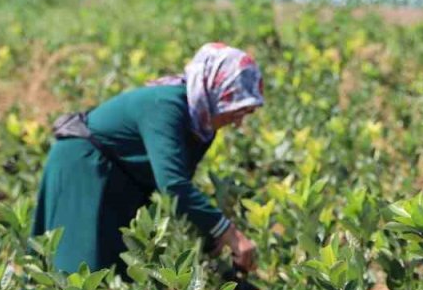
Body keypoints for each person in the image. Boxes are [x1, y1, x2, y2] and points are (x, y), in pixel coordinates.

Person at [33, 42, 262, 275]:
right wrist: (229, 233)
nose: (238, 122)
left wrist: (212, 239)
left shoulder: (201, 126)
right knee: (80, 272)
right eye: (235, 107)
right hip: (84, 168)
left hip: (121, 180)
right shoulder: (166, 106)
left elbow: (178, 196)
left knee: (119, 273)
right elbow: (173, 185)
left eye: (245, 111)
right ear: (214, 88)